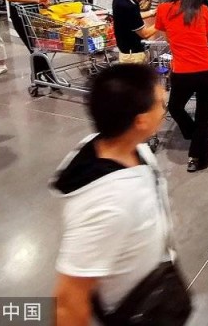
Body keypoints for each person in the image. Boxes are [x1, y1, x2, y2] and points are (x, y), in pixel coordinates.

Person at [52, 64, 186, 325]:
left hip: (156, 286)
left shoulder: (128, 147)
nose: (165, 108)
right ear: (140, 120)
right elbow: (69, 301)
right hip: (133, 310)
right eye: (160, 103)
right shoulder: (106, 203)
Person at [156, 0, 208, 172]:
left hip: (183, 72)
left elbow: (166, 36)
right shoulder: (203, 10)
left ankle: (193, 136)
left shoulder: (164, 9)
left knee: (175, 107)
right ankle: (198, 155)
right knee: (203, 114)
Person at [112, 0, 158, 64]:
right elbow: (144, 34)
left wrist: (152, 12)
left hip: (125, 50)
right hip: (133, 55)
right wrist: (162, 22)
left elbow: (131, 17)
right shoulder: (128, 6)